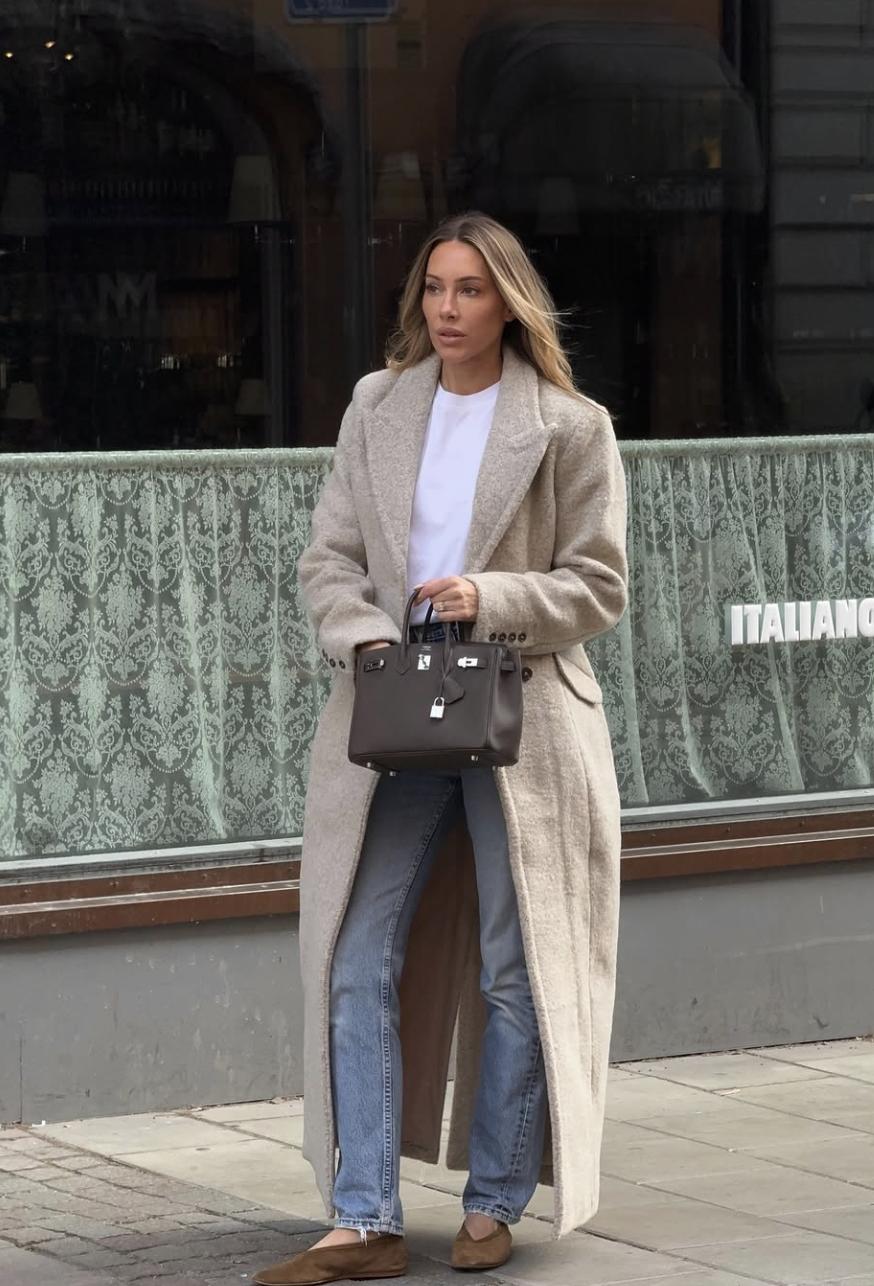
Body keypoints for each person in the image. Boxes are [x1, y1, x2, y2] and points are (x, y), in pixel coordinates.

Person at [254, 212, 628, 1286]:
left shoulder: (566, 425)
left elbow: (596, 585)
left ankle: (493, 1200)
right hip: (392, 709)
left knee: (517, 962)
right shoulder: (376, 407)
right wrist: (367, 636)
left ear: (506, 300)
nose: (446, 309)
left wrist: (487, 595)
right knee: (353, 948)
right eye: (432, 289)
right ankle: (361, 1213)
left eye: (468, 290)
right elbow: (327, 560)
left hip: (518, 721)